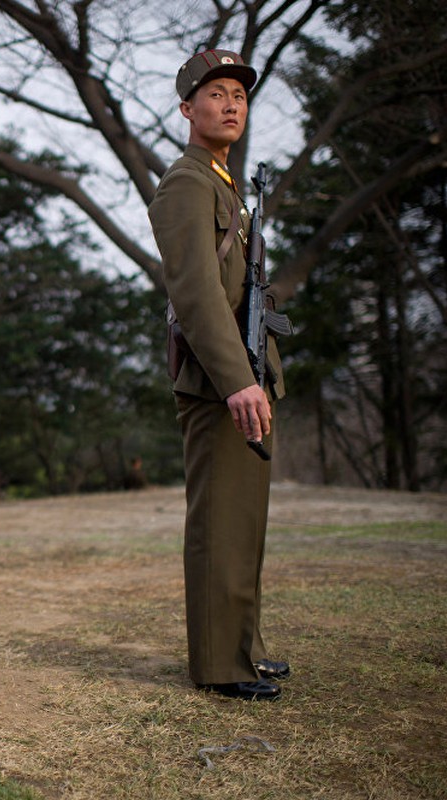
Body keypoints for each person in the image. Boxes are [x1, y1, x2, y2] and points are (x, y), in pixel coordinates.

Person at [147, 50, 289, 701]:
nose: (230, 103)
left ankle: (244, 646)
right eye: (215, 94)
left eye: (238, 93)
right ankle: (219, 663)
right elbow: (197, 292)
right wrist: (236, 379)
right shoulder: (185, 183)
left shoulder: (219, 180)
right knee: (219, 524)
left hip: (246, 371)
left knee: (244, 523)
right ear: (186, 109)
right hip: (218, 380)